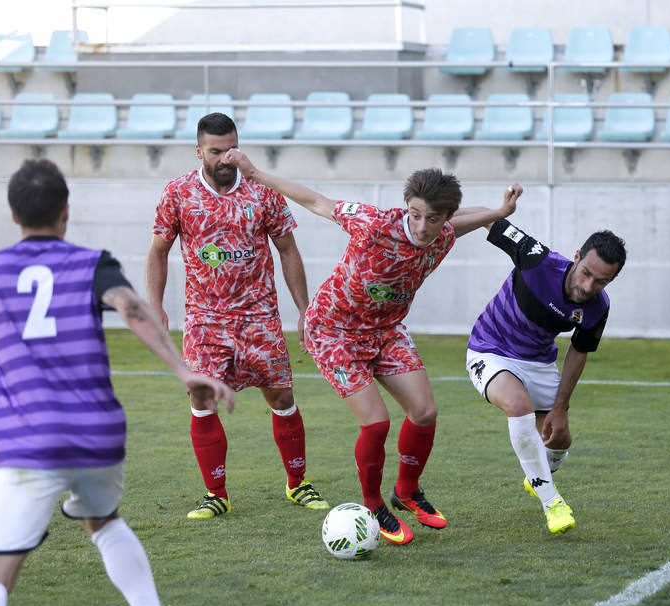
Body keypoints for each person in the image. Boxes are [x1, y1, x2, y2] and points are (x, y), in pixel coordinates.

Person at [0, 159, 236, 606]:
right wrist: (184, 371)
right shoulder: (91, 263)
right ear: (65, 212)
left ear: (13, 215)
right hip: (98, 435)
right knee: (102, 521)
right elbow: (130, 306)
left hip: (28, 438)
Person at [222, 148, 522, 545]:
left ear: (446, 218)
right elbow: (316, 201)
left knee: (425, 411)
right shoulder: (373, 223)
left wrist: (500, 212)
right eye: (415, 213)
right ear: (406, 206)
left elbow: (472, 217)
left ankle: (407, 492)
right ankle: (373, 504)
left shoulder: (445, 233)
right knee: (377, 422)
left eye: (433, 218)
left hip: (385, 330)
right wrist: (255, 172)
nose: (421, 225)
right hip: (333, 330)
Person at [146, 112, 329, 519]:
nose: (225, 158)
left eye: (231, 148)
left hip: (259, 317)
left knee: (281, 396)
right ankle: (217, 493)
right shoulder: (178, 193)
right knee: (201, 396)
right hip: (205, 320)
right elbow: (158, 251)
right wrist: (155, 304)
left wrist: (304, 310)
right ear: (199, 151)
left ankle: (298, 484)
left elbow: (287, 250)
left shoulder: (263, 193)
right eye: (215, 151)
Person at [465, 214, 627, 535]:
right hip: (490, 350)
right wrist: (435, 229)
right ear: (576, 257)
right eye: (586, 274)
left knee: (559, 439)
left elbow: (578, 351)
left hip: (538, 364)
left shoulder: (598, 307)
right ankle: (551, 501)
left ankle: (537, 476)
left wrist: (561, 407)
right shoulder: (537, 258)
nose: (588, 286)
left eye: (601, 282)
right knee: (518, 405)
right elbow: (490, 221)